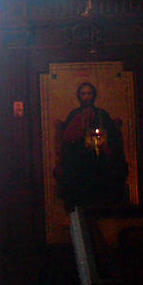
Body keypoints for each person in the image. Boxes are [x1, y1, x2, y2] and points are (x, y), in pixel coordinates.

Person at [53, 82, 129, 213]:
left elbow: (112, 136)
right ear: (79, 96)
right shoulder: (74, 114)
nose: (87, 97)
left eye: (89, 93)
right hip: (78, 155)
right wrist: (81, 130)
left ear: (94, 95)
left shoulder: (101, 114)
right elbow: (66, 137)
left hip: (99, 155)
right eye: (83, 94)